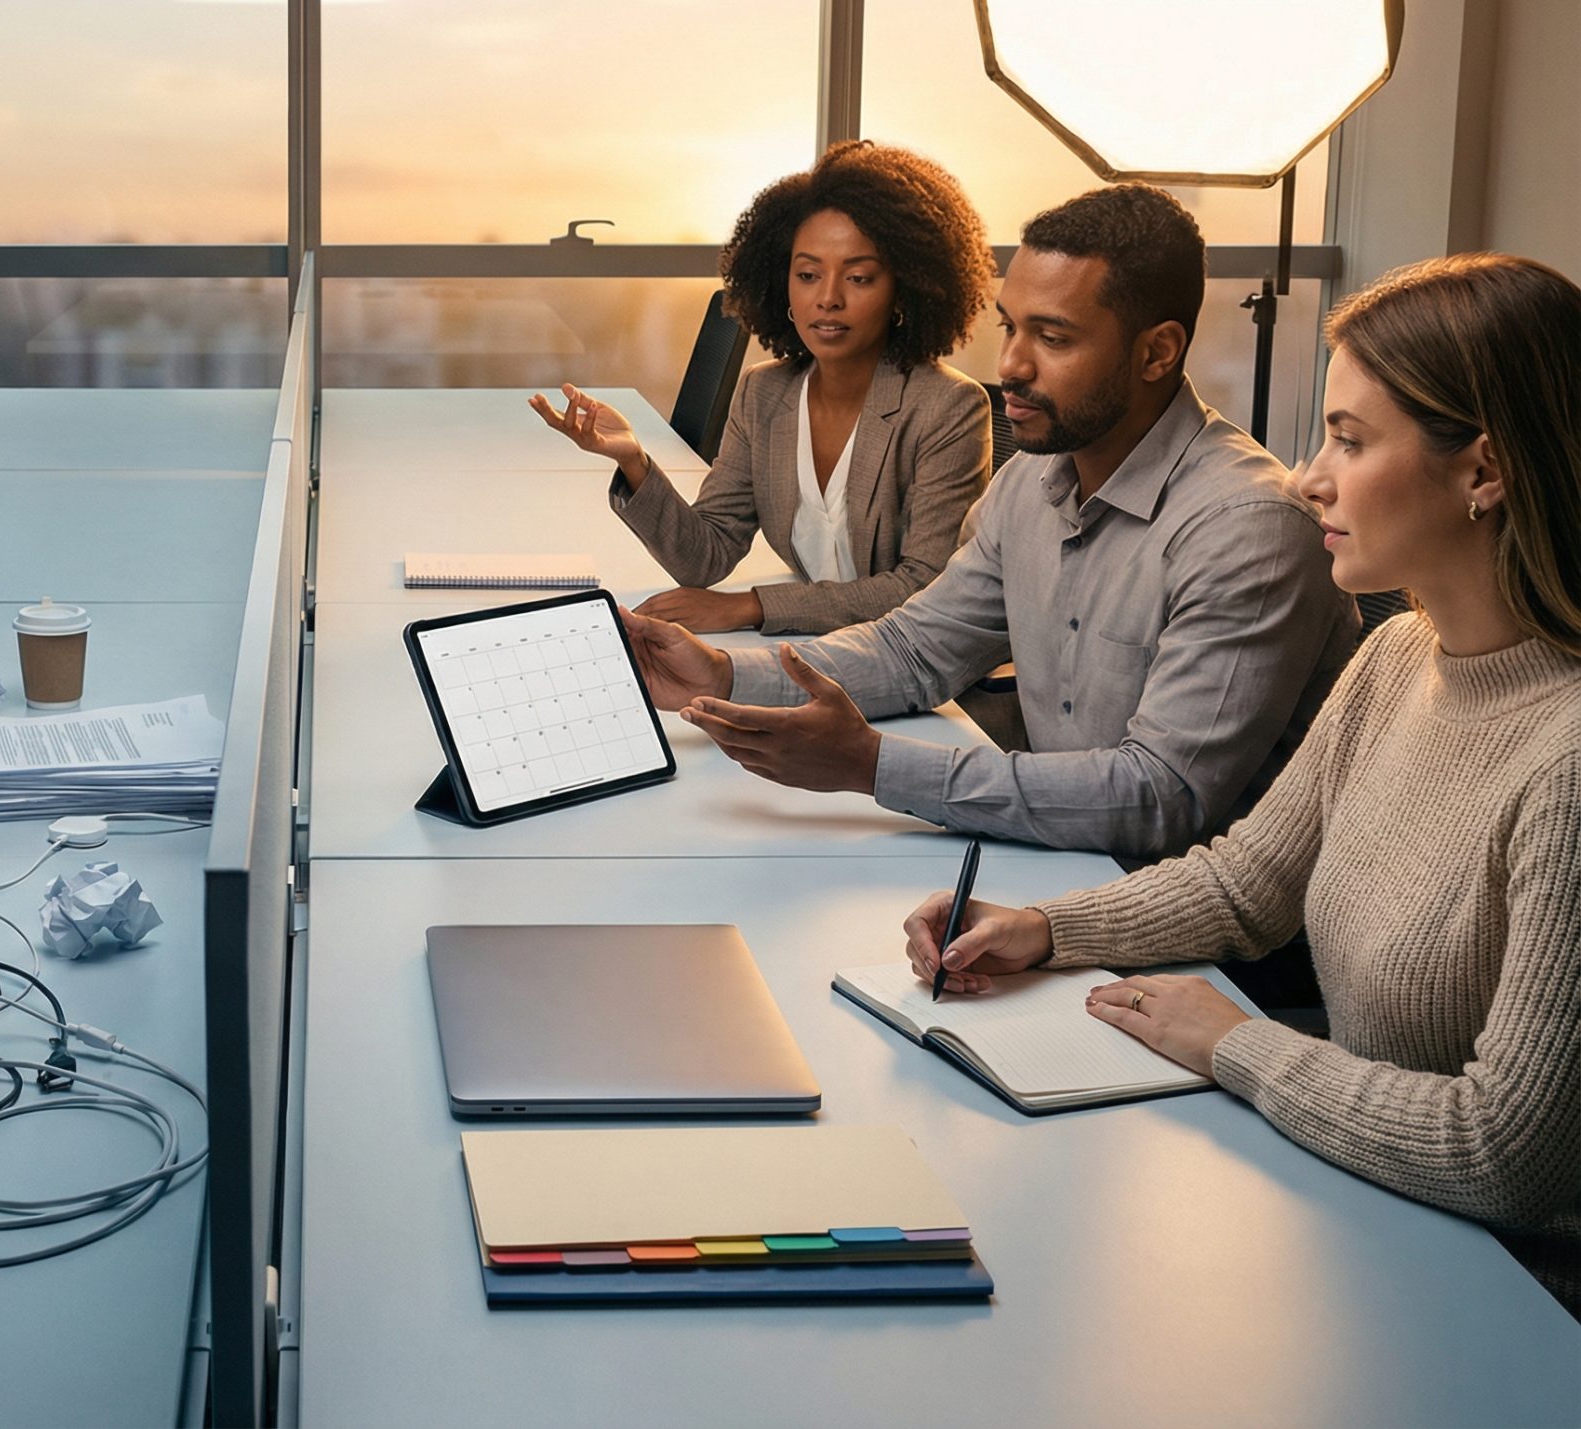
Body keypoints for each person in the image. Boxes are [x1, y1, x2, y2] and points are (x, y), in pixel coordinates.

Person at [902, 253, 1581, 1312]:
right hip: (1366, 1222)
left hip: (1505, 1303)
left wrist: (1234, 1044)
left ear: (1481, 472)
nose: (1310, 477)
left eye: (1350, 442)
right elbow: (1245, 883)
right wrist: (1043, 927)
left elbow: (1502, 1153)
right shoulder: (1399, 652)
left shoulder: (1566, 763)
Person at [622, 184, 1357, 860]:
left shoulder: (1248, 531)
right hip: (1045, 867)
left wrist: (872, 766)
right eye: (1010, 328)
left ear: (1157, 351)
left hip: (1185, 932)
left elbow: (1160, 798)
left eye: (1054, 338)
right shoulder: (1031, 481)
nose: (1010, 364)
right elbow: (915, 649)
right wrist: (720, 673)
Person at [530, 140, 996, 634]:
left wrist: (752, 606)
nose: (828, 298)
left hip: (908, 663)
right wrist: (632, 460)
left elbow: (922, 587)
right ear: (782, 285)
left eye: (859, 278)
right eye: (808, 275)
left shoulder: (949, 407)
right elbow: (705, 556)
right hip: (805, 649)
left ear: (905, 289)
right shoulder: (764, 393)